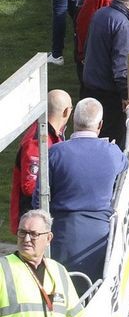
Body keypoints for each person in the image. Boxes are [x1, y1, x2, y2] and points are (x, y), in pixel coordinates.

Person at [47, 98, 126, 283]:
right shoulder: (112, 153)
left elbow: (38, 198)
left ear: (73, 119)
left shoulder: (55, 153)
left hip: (61, 233)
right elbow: (125, 166)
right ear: (100, 125)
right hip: (99, 236)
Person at [81, 0, 129, 146]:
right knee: (110, 140)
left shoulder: (100, 14)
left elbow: (87, 47)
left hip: (90, 86)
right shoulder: (122, 25)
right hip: (109, 95)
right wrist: (127, 94)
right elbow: (122, 66)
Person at [1, 209, 85, 317]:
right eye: (22, 232)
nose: (26, 239)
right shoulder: (2, 268)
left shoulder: (59, 271)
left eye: (34, 234)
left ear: (48, 238)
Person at [9, 91, 72, 235]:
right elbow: (29, 187)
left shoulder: (52, 134)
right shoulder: (38, 141)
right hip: (31, 224)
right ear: (66, 111)